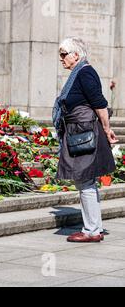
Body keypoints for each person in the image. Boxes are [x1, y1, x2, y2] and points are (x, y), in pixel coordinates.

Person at [53, 37, 118, 243]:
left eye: (64, 54)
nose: (61, 59)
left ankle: (91, 230)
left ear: (76, 55)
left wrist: (107, 130)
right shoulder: (78, 73)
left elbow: (99, 104)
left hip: (84, 131)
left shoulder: (85, 72)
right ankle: (94, 228)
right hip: (78, 130)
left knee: (83, 179)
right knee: (85, 180)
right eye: (60, 55)